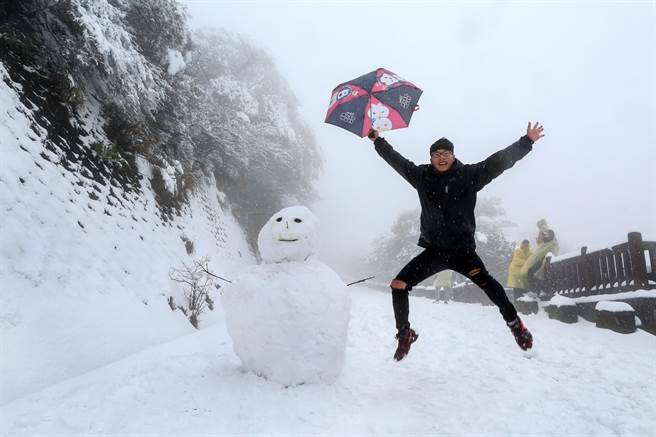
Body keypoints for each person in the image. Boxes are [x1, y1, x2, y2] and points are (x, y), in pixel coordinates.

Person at [368, 122, 544, 360]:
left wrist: (527, 141)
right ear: (430, 158)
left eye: (446, 154)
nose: (441, 158)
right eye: (436, 154)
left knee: (489, 286)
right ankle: (404, 334)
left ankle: (515, 325)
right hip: (435, 252)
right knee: (399, 284)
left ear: (453, 155)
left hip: (463, 252)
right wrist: (377, 141)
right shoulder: (421, 177)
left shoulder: (469, 176)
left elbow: (499, 162)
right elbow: (397, 161)